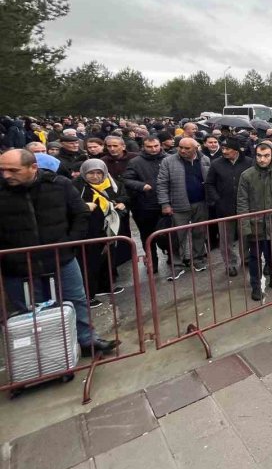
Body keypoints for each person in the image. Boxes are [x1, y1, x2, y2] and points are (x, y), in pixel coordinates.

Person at [0, 149, 118, 357]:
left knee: (76, 299)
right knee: (31, 313)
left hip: (61, 258)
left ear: (33, 167)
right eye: (3, 170)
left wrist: (70, 242)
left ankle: (87, 340)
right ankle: (46, 355)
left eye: (13, 170)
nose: (7, 175)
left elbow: (80, 213)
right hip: (18, 265)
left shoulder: (59, 185)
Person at [237, 141, 272, 301]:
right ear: (255, 156)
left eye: (266, 155)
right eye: (259, 156)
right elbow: (242, 202)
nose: (262, 159)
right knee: (254, 258)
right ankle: (255, 285)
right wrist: (245, 226)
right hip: (256, 225)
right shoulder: (247, 175)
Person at [72, 159, 129, 306]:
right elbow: (70, 206)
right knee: (89, 262)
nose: (95, 176)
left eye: (99, 173)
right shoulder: (77, 187)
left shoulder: (112, 183)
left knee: (107, 258)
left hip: (108, 227)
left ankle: (105, 285)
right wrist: (84, 207)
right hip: (89, 230)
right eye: (91, 173)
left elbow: (122, 195)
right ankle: (88, 294)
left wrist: (121, 202)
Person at [157, 137, 211, 280]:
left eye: (187, 148)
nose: (182, 150)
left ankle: (198, 259)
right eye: (180, 147)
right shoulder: (168, 161)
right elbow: (162, 184)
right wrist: (165, 204)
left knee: (199, 233)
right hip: (178, 205)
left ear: (196, 148)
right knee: (177, 236)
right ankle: (177, 265)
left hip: (201, 203)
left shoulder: (204, 160)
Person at [205, 137, 252, 277]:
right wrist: (217, 200)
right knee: (226, 239)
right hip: (224, 208)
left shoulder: (249, 162)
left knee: (245, 235)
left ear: (236, 150)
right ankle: (230, 264)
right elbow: (209, 184)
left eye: (227, 149)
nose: (224, 151)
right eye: (223, 148)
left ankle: (247, 258)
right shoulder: (216, 164)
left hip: (245, 207)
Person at [122, 135, 167, 275]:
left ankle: (172, 256)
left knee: (168, 234)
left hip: (165, 203)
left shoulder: (169, 158)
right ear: (143, 147)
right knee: (147, 236)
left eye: (156, 146)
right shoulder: (135, 162)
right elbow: (127, 179)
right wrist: (141, 186)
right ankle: (152, 261)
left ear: (160, 145)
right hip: (144, 205)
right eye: (149, 147)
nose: (153, 149)